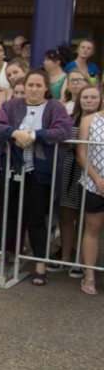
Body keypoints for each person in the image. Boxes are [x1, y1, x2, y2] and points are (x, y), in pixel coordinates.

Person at [0, 71, 72, 285]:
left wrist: (34, 135)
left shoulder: (55, 107)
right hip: (10, 169)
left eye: (38, 85)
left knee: (35, 220)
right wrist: (16, 133)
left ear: (46, 88)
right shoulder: (12, 105)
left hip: (39, 173)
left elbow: (64, 130)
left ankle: (39, 265)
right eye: (30, 85)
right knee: (6, 216)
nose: (33, 89)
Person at [56, 84, 101, 278]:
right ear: (79, 99)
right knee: (66, 216)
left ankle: (81, 262)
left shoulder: (99, 120)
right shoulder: (71, 119)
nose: (89, 100)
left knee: (87, 219)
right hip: (70, 171)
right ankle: (65, 257)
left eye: (93, 97)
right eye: (85, 97)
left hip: (91, 174)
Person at [76, 100, 104, 295]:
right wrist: (99, 180)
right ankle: (89, 277)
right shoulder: (89, 120)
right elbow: (82, 154)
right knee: (92, 229)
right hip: (93, 184)